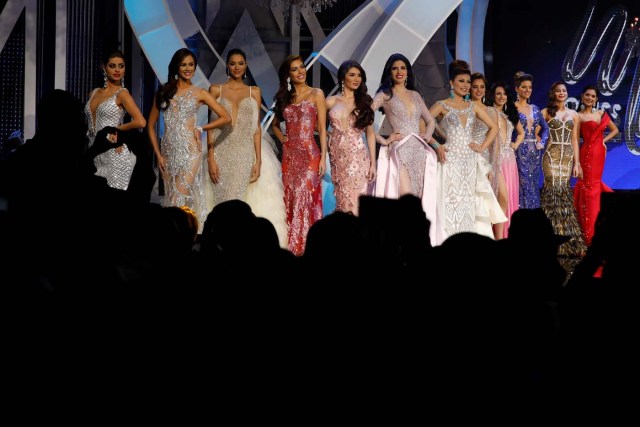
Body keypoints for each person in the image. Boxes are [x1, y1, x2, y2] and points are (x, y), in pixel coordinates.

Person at [205, 48, 287, 247]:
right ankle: (220, 245)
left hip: (245, 153)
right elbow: (210, 126)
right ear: (227, 66)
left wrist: (258, 160)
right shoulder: (216, 90)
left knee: (243, 201)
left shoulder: (254, 91)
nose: (237, 67)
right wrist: (211, 157)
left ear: (246, 65)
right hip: (222, 151)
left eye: (241, 63)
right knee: (221, 201)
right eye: (233, 63)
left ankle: (241, 245)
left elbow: (256, 129)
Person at [147, 48, 231, 232]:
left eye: (191, 64)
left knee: (178, 198)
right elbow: (150, 125)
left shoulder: (200, 93)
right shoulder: (163, 92)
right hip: (168, 153)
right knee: (171, 198)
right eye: (183, 64)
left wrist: (201, 128)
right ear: (176, 67)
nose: (187, 68)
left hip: (190, 152)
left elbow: (226, 117)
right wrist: (158, 154)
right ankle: (179, 237)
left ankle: (176, 238)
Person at [429, 59, 506, 243]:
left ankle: (471, 245)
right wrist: (436, 145)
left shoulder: (473, 106)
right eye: (461, 81)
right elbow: (421, 125)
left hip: (470, 161)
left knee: (470, 203)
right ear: (451, 83)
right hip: (450, 159)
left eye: (468, 82)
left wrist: (481, 147)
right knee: (449, 202)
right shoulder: (441, 105)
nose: (466, 85)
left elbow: (494, 127)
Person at [371, 53, 439, 243]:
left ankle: (414, 247)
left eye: (403, 68)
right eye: (395, 68)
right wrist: (383, 139)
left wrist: (426, 135)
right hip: (399, 150)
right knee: (406, 202)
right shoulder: (385, 94)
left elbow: (430, 120)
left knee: (418, 202)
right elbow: (365, 116)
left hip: (419, 151)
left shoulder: (415, 95)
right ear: (389, 72)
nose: (399, 72)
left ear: (408, 72)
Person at [272, 54, 328, 256]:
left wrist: (323, 157)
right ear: (288, 75)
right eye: (295, 69)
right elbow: (275, 124)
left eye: (302, 67)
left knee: (305, 197)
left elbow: (322, 128)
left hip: (309, 153)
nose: (300, 71)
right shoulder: (285, 98)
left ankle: (304, 248)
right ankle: (291, 247)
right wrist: (282, 138)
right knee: (291, 198)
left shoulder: (316, 93)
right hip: (290, 156)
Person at [84, 50, 146, 190]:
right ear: (104, 67)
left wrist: (117, 131)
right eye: (112, 66)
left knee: (115, 205)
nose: (117, 70)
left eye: (121, 66)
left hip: (115, 155)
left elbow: (140, 121)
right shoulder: (93, 93)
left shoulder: (122, 94)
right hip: (94, 154)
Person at [540, 81, 587, 257]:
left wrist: (577, 163)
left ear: (567, 93)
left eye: (564, 90)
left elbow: (575, 140)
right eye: (558, 91)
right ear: (553, 93)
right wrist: (543, 142)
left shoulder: (573, 114)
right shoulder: (545, 112)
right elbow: (536, 134)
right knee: (552, 192)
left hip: (567, 158)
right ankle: (548, 239)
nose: (561, 93)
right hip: (551, 157)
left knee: (564, 194)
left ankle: (567, 242)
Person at [325, 59, 376, 215]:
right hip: (338, 158)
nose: (356, 79)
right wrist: (328, 134)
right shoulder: (331, 101)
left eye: (359, 76)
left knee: (357, 201)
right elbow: (315, 121)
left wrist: (373, 163)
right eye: (352, 75)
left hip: (358, 157)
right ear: (342, 77)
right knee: (342, 199)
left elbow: (370, 133)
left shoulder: (365, 102)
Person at [573, 85, 619, 246]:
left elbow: (615, 130)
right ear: (582, 96)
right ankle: (588, 231)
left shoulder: (601, 113)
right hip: (586, 152)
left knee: (594, 186)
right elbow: (576, 140)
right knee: (588, 188)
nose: (590, 98)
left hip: (599, 153)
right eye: (587, 95)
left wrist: (603, 142)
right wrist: (576, 162)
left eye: (593, 96)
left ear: (597, 99)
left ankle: (596, 227)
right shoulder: (577, 116)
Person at [491, 81, 524, 238]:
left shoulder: (510, 114)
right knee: (499, 197)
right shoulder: (489, 112)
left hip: (509, 160)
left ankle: (506, 236)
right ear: (493, 95)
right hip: (495, 159)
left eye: (504, 94)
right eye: (498, 93)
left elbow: (522, 133)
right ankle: (496, 236)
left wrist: (515, 144)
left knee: (508, 198)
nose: (501, 97)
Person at [513, 71, 549, 209]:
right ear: (517, 89)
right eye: (524, 87)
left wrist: (542, 142)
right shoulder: (512, 108)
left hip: (535, 153)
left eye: (530, 87)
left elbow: (546, 129)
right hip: (519, 151)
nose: (527, 90)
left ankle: (533, 216)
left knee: (533, 185)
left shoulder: (535, 108)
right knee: (522, 185)